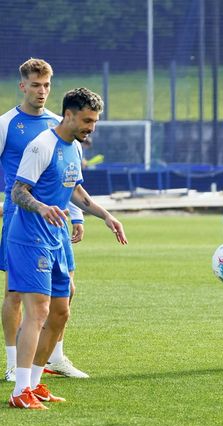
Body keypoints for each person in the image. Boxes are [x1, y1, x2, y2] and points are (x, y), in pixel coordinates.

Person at [7, 87, 127, 409]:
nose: (91, 127)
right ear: (69, 115)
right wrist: (42, 207)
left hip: (55, 240)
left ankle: (34, 384)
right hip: (30, 238)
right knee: (39, 312)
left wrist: (106, 215)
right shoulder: (42, 145)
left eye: (95, 121)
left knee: (61, 311)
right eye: (87, 120)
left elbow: (74, 189)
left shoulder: (74, 148)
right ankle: (19, 392)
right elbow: (18, 192)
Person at [0, 58, 89, 382]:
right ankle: (13, 363)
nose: (41, 91)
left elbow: (68, 178)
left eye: (46, 85)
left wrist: (77, 215)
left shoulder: (59, 123)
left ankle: (55, 357)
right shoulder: (7, 124)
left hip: (57, 218)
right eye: (35, 85)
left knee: (67, 290)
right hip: (19, 214)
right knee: (14, 292)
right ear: (22, 86)